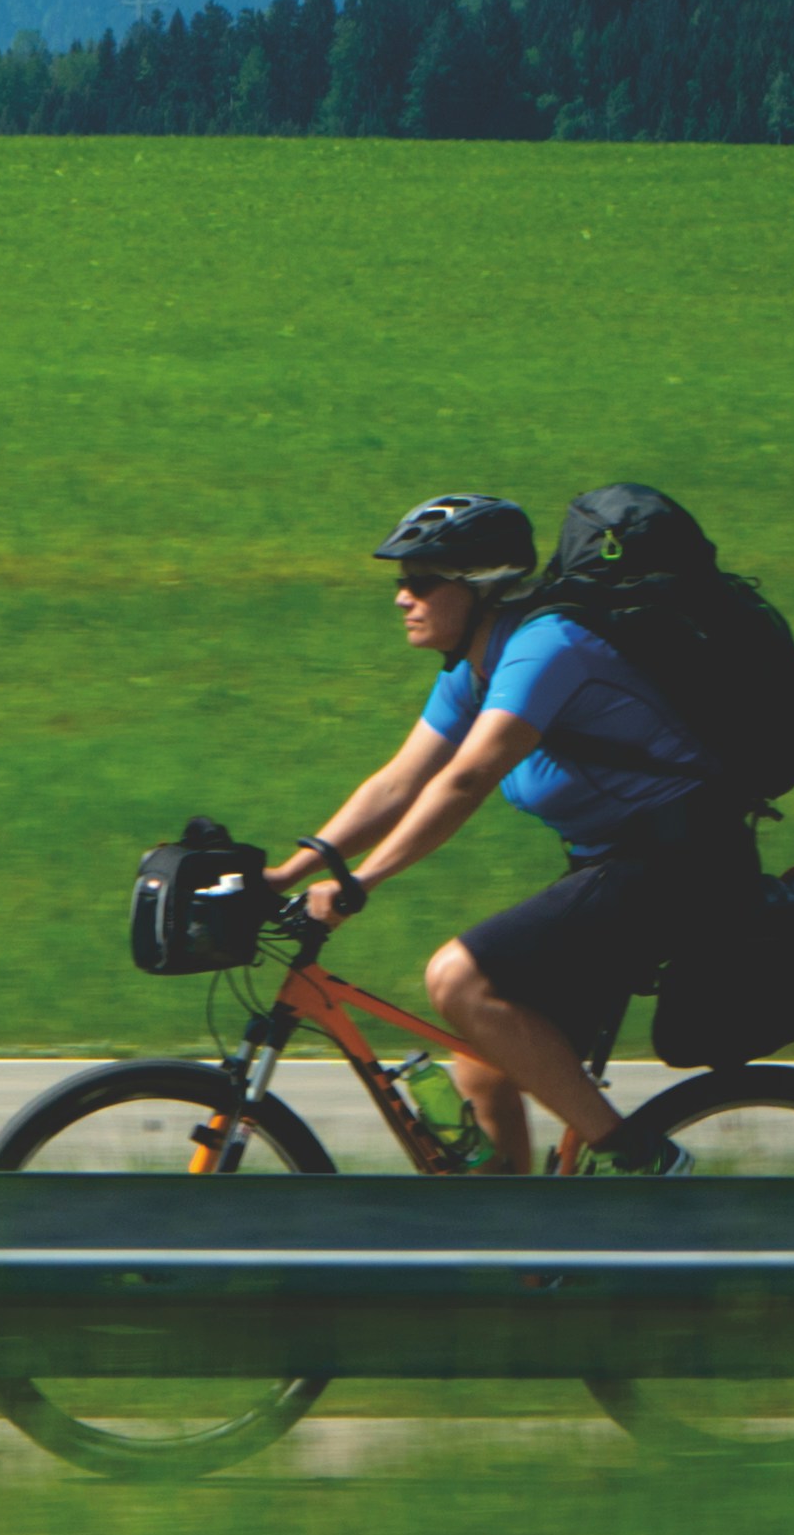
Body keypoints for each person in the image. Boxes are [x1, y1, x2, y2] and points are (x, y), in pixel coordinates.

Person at [263, 492, 756, 1171]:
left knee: (459, 979)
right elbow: (398, 781)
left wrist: (361, 879)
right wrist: (288, 871)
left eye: (419, 581)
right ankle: (528, 1259)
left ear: (478, 586)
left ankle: (643, 1159)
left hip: (678, 860)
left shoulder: (545, 647)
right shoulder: (475, 664)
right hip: (615, 863)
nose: (401, 598)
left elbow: (465, 780)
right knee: (486, 1064)